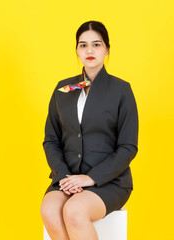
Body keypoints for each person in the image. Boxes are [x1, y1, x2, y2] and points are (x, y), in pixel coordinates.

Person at [40, 20, 139, 240]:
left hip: (109, 181)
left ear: (107, 49)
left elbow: (127, 147)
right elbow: (51, 140)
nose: (90, 50)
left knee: (74, 212)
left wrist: (90, 178)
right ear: (77, 50)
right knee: (49, 210)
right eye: (83, 45)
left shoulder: (121, 90)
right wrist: (65, 176)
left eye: (96, 44)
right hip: (67, 177)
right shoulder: (63, 89)